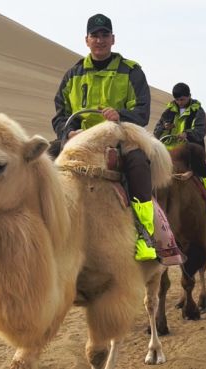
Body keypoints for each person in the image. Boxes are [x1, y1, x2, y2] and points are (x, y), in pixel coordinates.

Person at [50, 14, 156, 261]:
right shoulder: (72, 74)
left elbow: (142, 111)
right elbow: (61, 113)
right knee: (42, 159)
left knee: (138, 163)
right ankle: (45, 231)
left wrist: (120, 115)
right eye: (95, 36)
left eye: (104, 35)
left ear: (113, 39)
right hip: (80, 140)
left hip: (119, 137)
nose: (100, 40)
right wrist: (68, 133)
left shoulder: (131, 72)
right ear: (86, 40)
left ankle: (144, 233)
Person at [154, 82, 206, 213]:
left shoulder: (197, 111)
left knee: (203, 169)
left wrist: (187, 134)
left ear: (189, 96)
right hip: (168, 149)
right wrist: (164, 127)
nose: (180, 102)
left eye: (182, 99)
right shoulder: (168, 112)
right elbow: (157, 131)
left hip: (190, 148)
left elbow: (201, 131)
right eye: (177, 100)